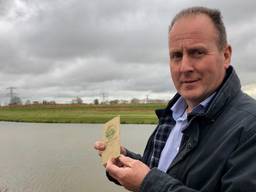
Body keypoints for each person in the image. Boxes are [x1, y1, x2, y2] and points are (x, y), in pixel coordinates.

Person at [94, 6, 256, 192]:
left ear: (226, 55)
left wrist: (147, 183)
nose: (184, 67)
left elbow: (154, 182)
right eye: (176, 56)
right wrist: (125, 161)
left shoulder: (251, 128)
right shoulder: (173, 114)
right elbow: (162, 172)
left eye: (197, 52)